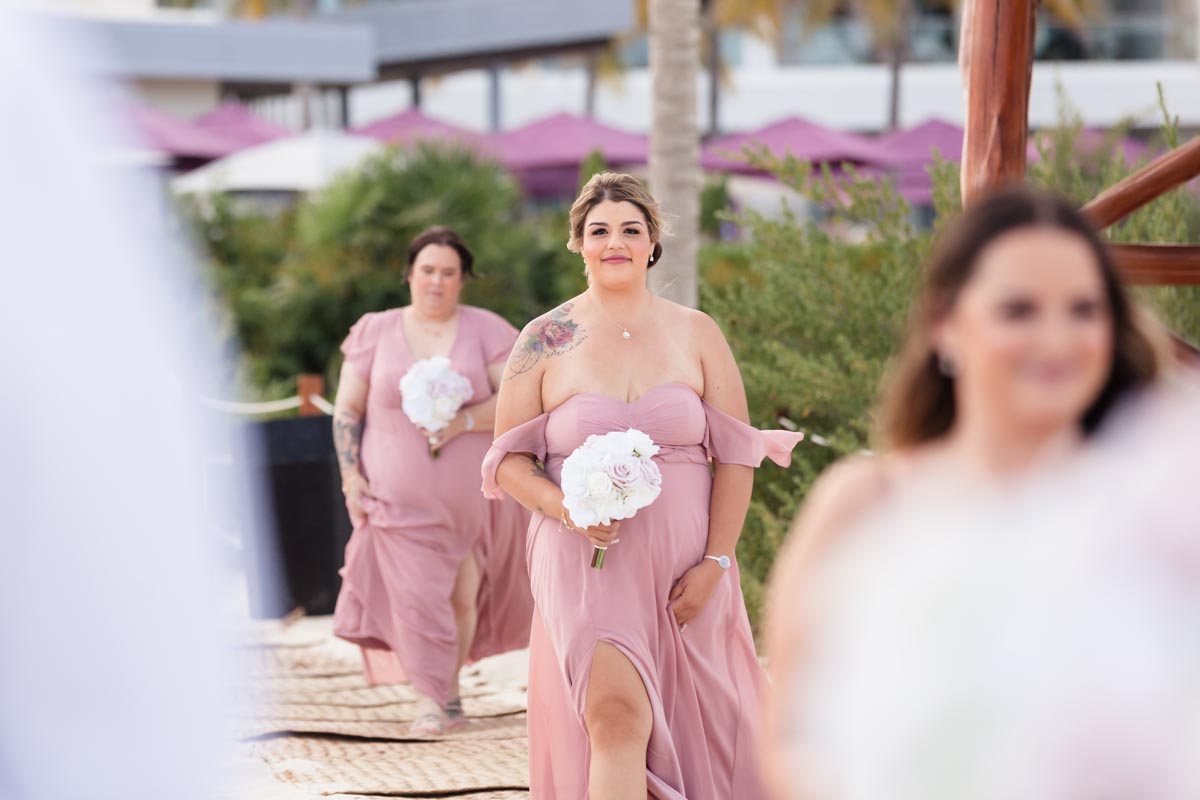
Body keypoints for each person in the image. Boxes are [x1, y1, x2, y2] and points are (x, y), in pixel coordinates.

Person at [763, 185, 1170, 799]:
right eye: (1019, 310)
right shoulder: (866, 504)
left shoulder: (1155, 509)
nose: (1057, 339)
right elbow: (792, 734)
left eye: (1084, 310)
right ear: (946, 324)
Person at [483, 171, 803, 799]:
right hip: (583, 562)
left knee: (705, 727)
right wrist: (567, 508)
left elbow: (737, 456)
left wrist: (716, 562)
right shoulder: (544, 339)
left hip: (687, 566)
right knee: (615, 718)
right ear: (577, 242)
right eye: (599, 231)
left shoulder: (697, 332)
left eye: (631, 230)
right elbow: (509, 460)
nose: (615, 243)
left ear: (653, 241)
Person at [331, 226, 533, 736]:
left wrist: (464, 420)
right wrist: (350, 476)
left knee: (462, 599)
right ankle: (428, 699)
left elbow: (519, 400)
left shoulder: (486, 329)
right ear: (409, 275)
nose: (437, 281)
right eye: (427, 271)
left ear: (463, 279)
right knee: (417, 597)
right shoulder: (375, 331)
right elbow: (347, 410)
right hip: (393, 499)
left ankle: (449, 692)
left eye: (448, 272)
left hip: (471, 500)